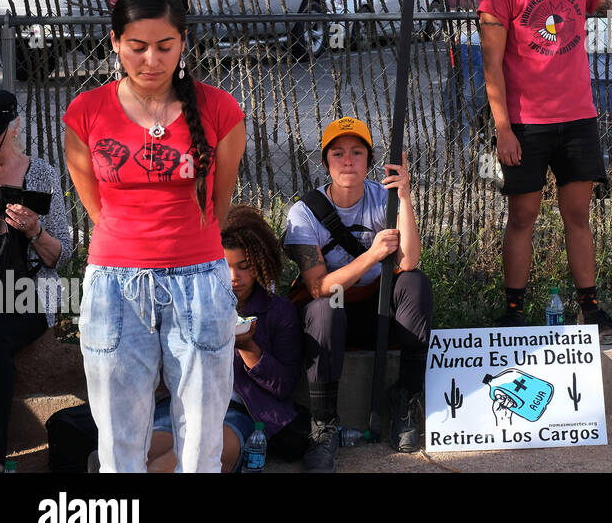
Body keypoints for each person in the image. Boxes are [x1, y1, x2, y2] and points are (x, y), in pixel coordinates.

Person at [64, 0, 246, 472]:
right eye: (137, 46)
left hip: (201, 284)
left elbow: (220, 201)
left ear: (183, 43)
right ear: (115, 42)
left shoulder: (221, 110)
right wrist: (130, 244)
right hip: (113, 287)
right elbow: (93, 203)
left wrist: (185, 245)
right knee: (119, 435)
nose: (150, 59)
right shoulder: (85, 112)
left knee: (202, 435)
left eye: (164, 46)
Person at [477, 0, 612, 343]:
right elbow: (492, 67)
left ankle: (590, 309)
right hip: (525, 124)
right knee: (523, 217)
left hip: (578, 119)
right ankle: (514, 312)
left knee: (578, 216)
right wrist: (503, 130)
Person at [284, 117, 430, 472]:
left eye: (357, 152)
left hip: (376, 311)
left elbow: (408, 260)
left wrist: (406, 196)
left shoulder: (385, 200)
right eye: (338, 153)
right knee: (325, 306)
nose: (348, 160)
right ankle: (324, 426)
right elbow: (319, 286)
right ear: (325, 162)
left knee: (415, 283)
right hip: (334, 316)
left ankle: (407, 399)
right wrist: (371, 255)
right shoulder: (304, 213)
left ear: (369, 160)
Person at [147, 205, 307, 472]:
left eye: (244, 267)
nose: (234, 277)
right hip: (183, 406)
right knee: (143, 454)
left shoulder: (278, 311)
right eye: (224, 266)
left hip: (238, 414)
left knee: (187, 459)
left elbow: (284, 385)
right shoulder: (189, 303)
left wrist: (248, 348)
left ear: (259, 264)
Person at [0, 89, 73, 473]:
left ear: (14, 127)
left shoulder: (40, 174)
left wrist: (35, 230)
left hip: (28, 291)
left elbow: (61, 254)